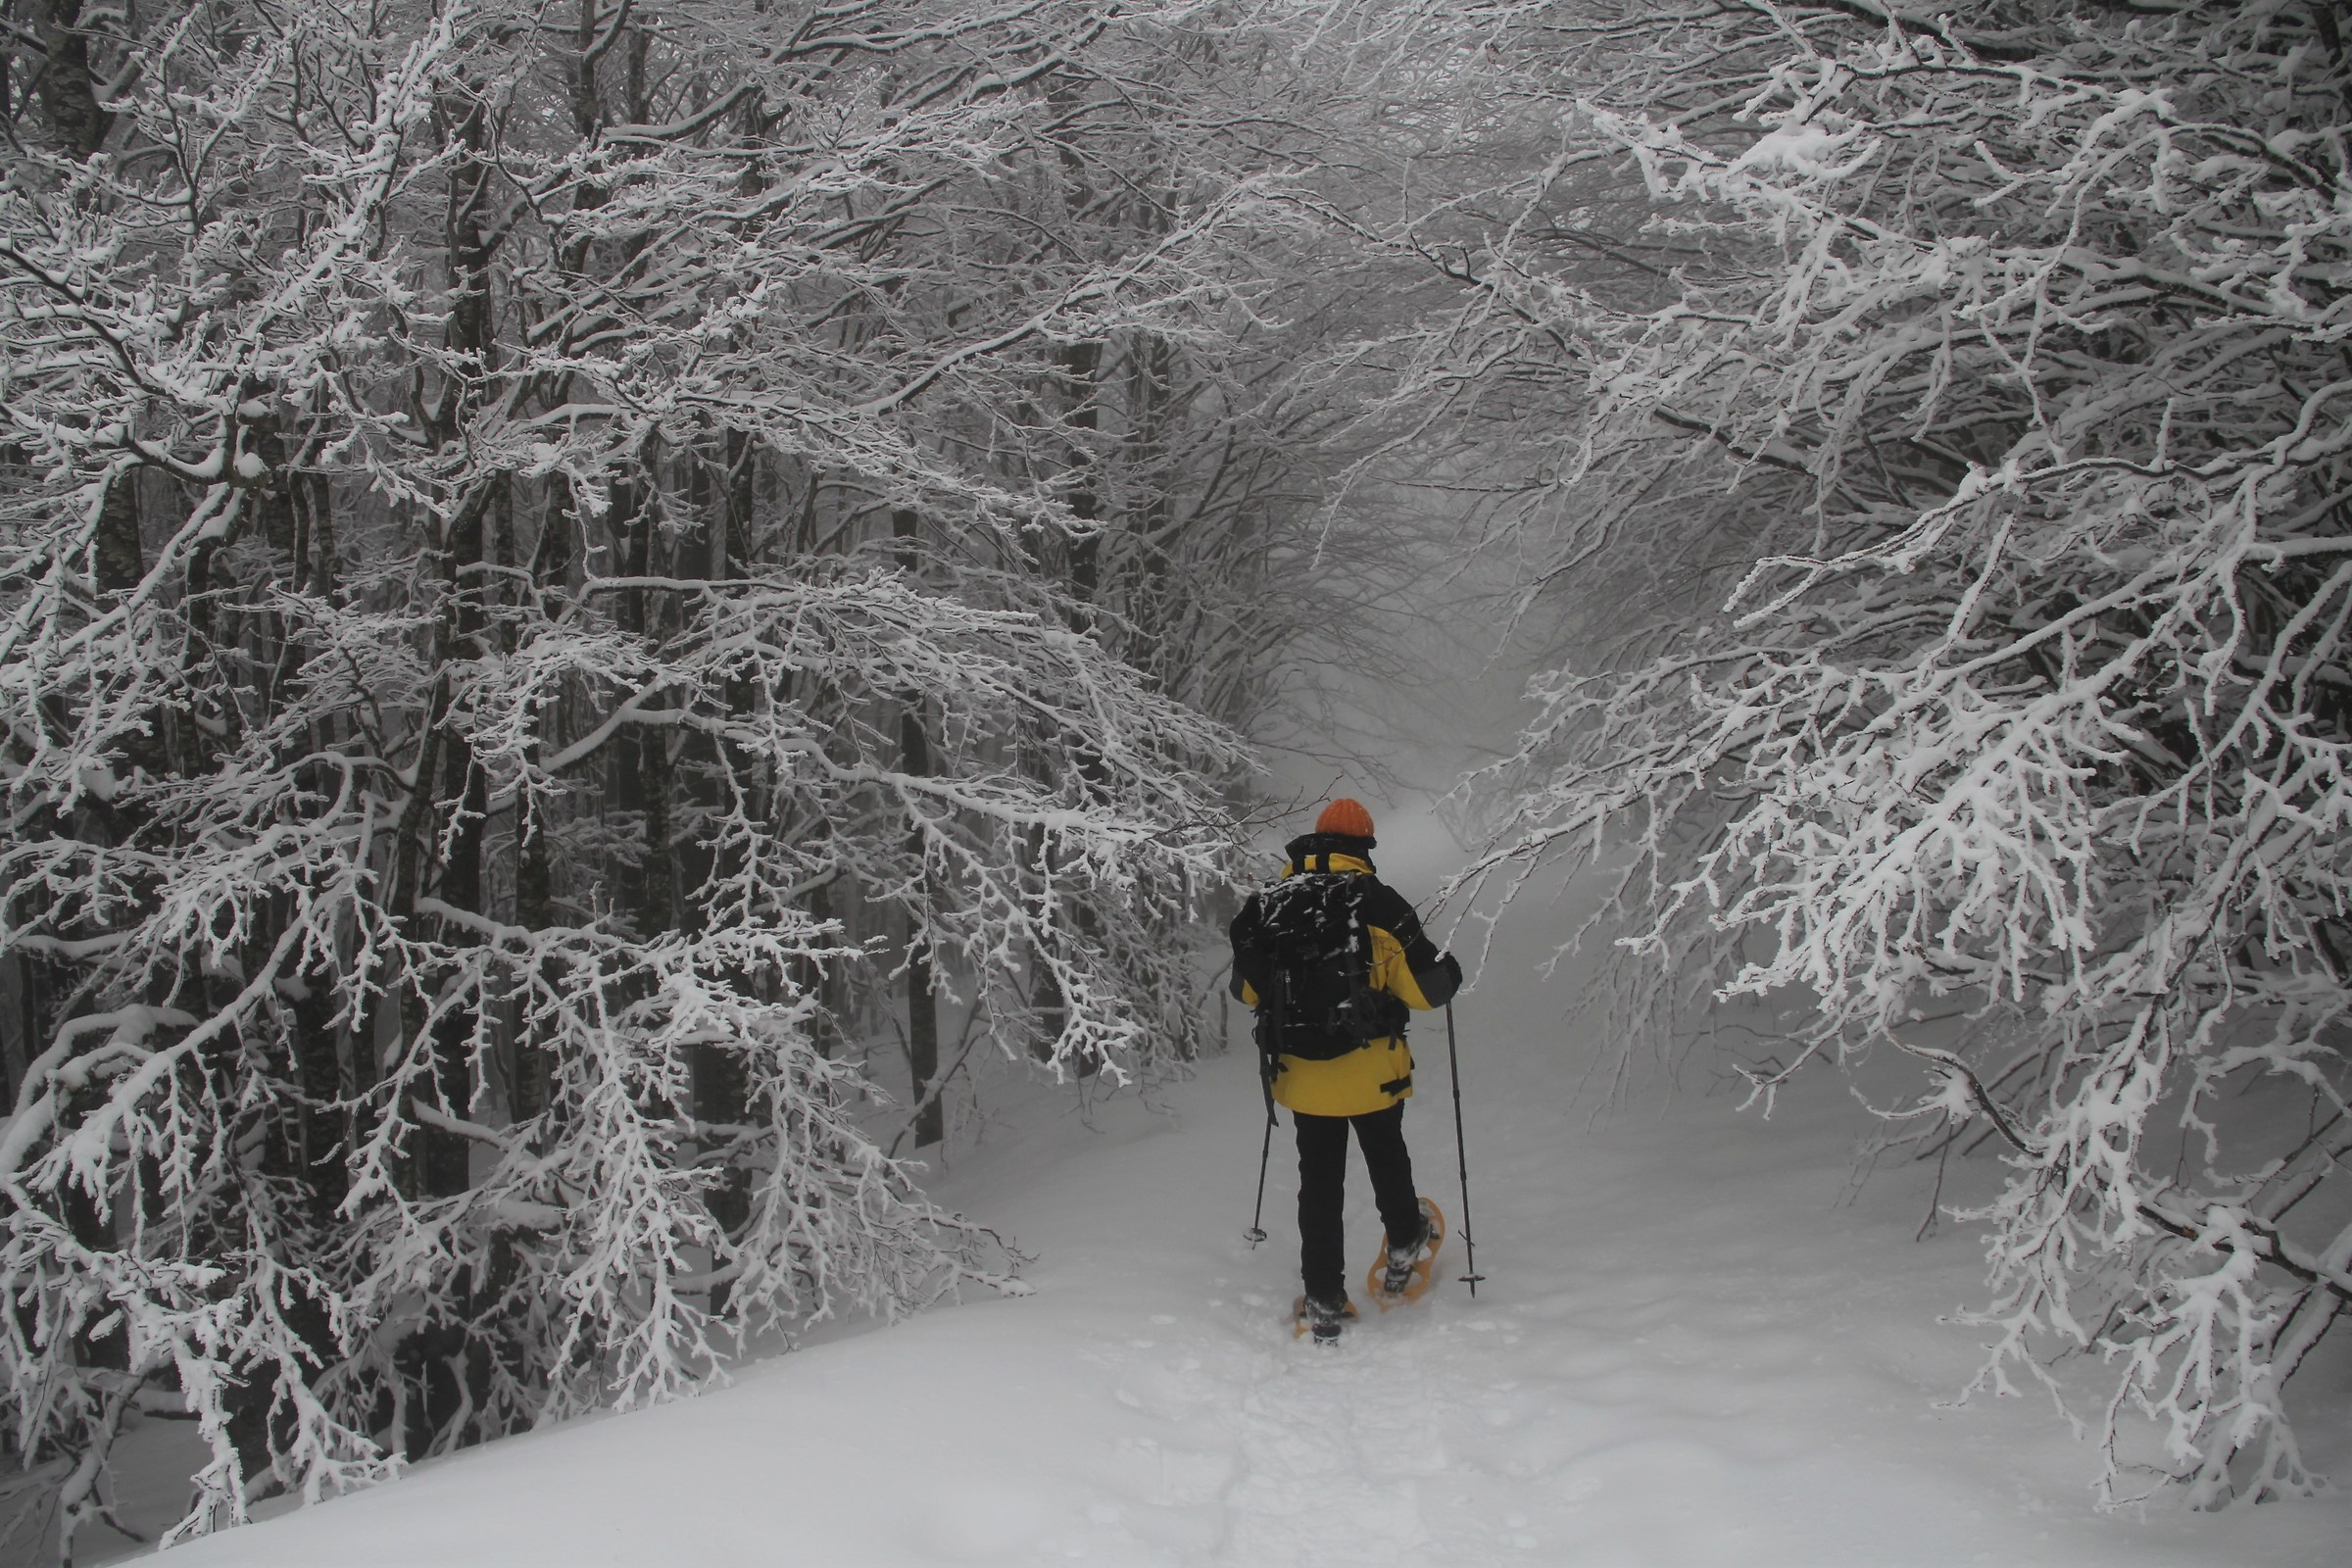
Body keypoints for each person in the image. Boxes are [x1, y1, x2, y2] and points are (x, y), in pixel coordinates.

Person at [1227, 798, 1463, 1342]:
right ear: (1365, 848)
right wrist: (1448, 970)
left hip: (1303, 1075)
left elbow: (1246, 990)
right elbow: (1428, 992)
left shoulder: (1268, 905)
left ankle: (1325, 1300)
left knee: (1320, 1181)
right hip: (1371, 1068)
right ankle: (1406, 1241)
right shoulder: (1377, 901)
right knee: (1386, 1153)